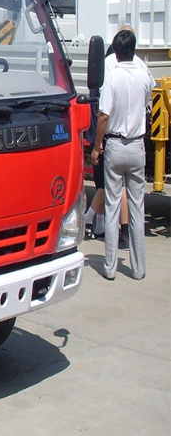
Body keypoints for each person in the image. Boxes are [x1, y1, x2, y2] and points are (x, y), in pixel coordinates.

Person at [90, 29, 154, 280]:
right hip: (137, 145)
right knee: (138, 207)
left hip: (115, 145)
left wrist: (97, 147)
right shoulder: (144, 76)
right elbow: (146, 101)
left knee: (113, 205)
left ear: (115, 53)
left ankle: (110, 267)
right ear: (134, 50)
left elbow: (104, 116)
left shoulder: (112, 77)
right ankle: (138, 269)